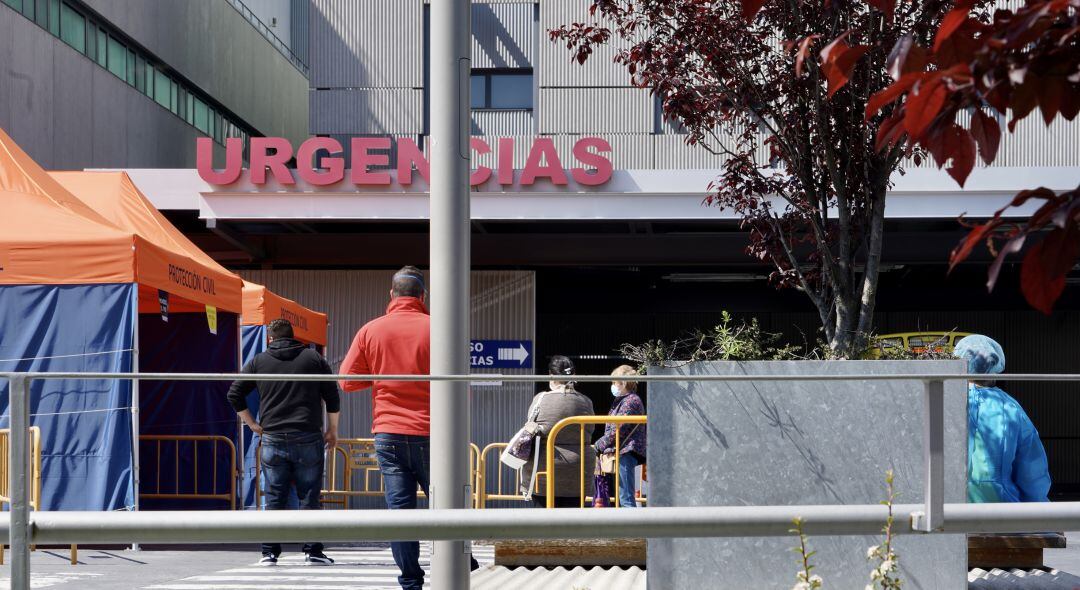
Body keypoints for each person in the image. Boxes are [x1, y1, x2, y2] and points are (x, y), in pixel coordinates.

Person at [339, 266, 477, 589]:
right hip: (433, 435)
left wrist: (383, 376)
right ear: (422, 296)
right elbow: (462, 389)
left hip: (387, 433)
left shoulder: (370, 330)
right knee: (446, 506)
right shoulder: (439, 329)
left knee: (401, 513)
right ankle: (464, 566)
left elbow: (346, 381)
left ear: (392, 295)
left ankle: (411, 582)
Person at [227, 318, 340, 566]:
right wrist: (332, 430)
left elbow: (234, 393)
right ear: (294, 335)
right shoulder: (313, 359)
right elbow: (332, 395)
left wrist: (253, 424)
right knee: (309, 496)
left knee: (274, 496)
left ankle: (269, 552)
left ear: (270, 338)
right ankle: (313, 551)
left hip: (273, 437)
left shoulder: (259, 361)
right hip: (307, 435)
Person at [953, 334, 1051, 503]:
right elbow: (1032, 473)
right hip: (1001, 513)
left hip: (947, 512)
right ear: (995, 367)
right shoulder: (1010, 407)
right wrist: (1041, 512)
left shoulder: (943, 401)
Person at [520, 355, 596, 508]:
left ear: (551, 375)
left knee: (544, 525)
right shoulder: (586, 401)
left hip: (544, 472)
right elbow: (591, 429)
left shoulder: (541, 399)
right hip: (578, 472)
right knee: (571, 525)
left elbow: (530, 426)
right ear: (573, 376)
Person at [593, 365, 646, 508]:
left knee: (626, 497)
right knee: (623, 495)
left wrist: (600, 444)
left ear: (623, 383)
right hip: (622, 451)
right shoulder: (625, 400)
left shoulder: (630, 401)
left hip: (626, 451)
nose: (612, 385)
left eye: (614, 382)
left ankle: (632, 529)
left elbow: (618, 427)